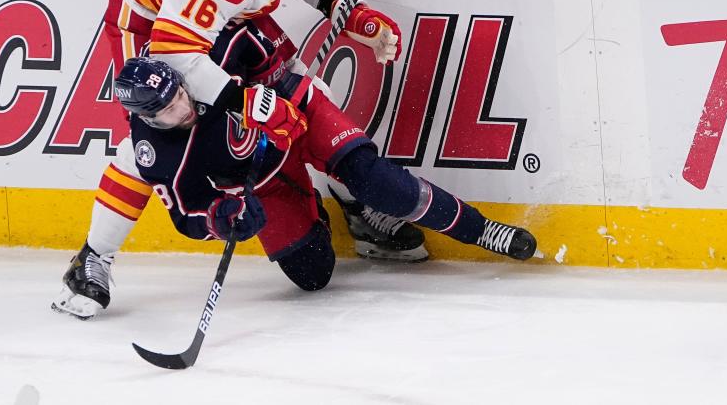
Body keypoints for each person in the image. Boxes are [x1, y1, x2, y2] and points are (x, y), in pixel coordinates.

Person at [53, 0, 426, 318]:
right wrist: (243, 102)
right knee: (152, 135)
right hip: (148, 15)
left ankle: (352, 200)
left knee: (302, 90)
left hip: (221, 7)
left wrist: (340, 11)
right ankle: (93, 258)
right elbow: (178, 53)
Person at [100, 53, 536, 301]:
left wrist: (275, 96)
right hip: (267, 179)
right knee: (312, 276)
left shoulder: (199, 64)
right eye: (171, 108)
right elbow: (187, 214)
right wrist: (221, 217)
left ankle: (483, 230)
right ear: (148, 118)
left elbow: (272, 57)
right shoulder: (152, 153)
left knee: (379, 182)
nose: (184, 106)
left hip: (300, 119)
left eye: (180, 93)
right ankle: (341, 205)